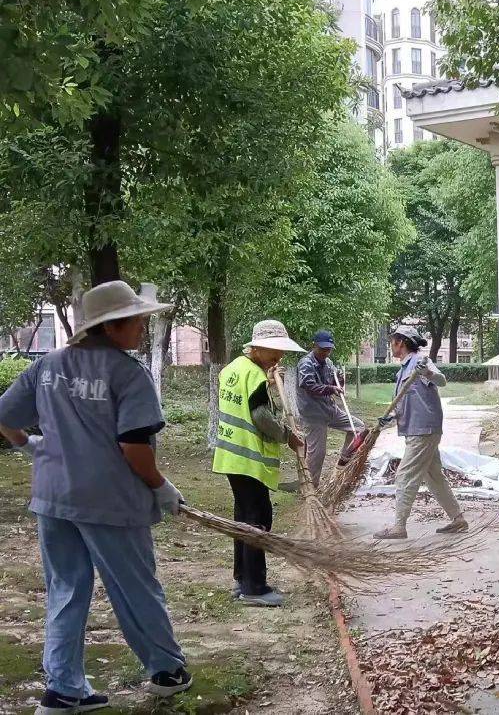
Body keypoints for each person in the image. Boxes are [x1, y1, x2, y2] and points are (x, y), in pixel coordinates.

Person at [0, 280, 193, 714]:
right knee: (134, 585)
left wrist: (27, 444)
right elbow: (134, 447)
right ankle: (166, 670)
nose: (141, 327)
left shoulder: (47, 365)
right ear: (110, 326)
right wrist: (160, 486)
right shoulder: (128, 373)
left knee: (65, 589)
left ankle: (63, 689)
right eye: (136, 321)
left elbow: (4, 416)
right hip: (110, 501)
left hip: (54, 497)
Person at [212, 319, 306, 606]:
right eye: (274, 350)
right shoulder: (255, 376)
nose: (279, 356)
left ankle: (243, 579)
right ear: (257, 348)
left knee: (243, 518)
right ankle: (254, 588)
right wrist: (287, 436)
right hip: (249, 458)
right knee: (257, 519)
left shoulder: (232, 369)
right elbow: (261, 417)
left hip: (232, 456)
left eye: (281, 351)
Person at [373, 325, 468, 539]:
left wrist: (427, 372)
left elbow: (441, 380)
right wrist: (391, 418)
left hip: (423, 430)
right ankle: (458, 519)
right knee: (433, 476)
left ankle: (399, 527)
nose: (391, 345)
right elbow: (406, 401)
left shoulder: (419, 361)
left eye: (393, 341)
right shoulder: (403, 370)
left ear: (401, 342)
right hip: (417, 428)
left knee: (404, 475)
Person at [296, 329, 367, 488]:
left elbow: (334, 383)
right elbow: (309, 386)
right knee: (318, 454)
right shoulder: (306, 363)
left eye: (328, 350)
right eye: (323, 349)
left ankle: (343, 461)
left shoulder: (328, 363)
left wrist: (339, 381)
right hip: (313, 414)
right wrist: (331, 388)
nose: (326, 353)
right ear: (314, 346)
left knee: (359, 428)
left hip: (330, 409)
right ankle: (311, 488)